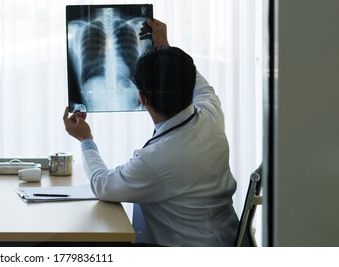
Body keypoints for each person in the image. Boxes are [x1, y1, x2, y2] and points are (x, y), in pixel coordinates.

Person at [62, 19, 239, 247]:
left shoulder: (157, 160)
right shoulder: (211, 114)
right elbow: (197, 83)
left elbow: (102, 184)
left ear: (141, 97)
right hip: (225, 240)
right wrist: (164, 47)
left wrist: (85, 139)